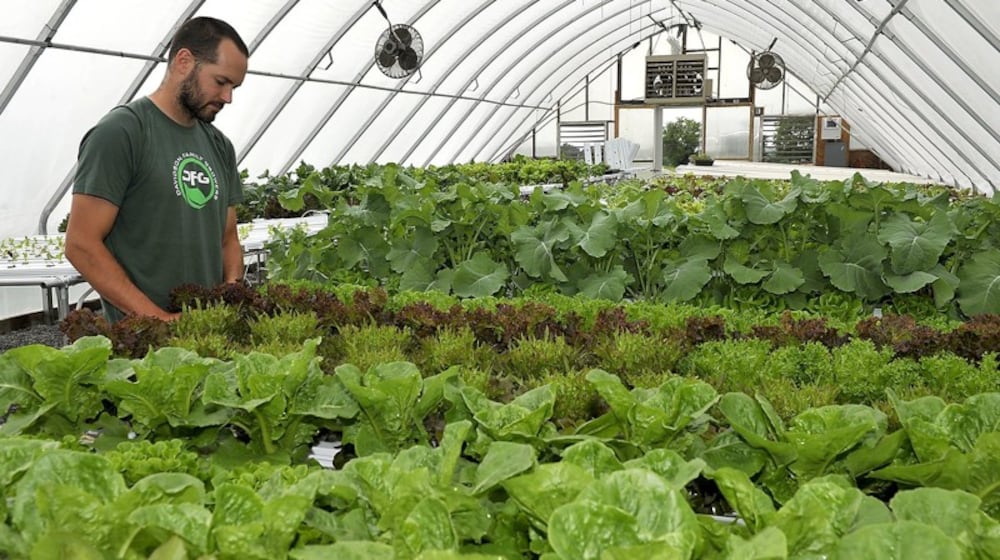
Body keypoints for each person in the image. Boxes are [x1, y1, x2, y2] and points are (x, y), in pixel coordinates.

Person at [65, 17, 249, 322]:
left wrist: (232, 292)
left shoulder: (220, 146)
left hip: (208, 337)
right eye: (221, 82)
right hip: (143, 350)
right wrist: (158, 320)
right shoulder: (122, 132)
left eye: (234, 87)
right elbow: (81, 244)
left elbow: (228, 239)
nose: (228, 98)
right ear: (184, 62)